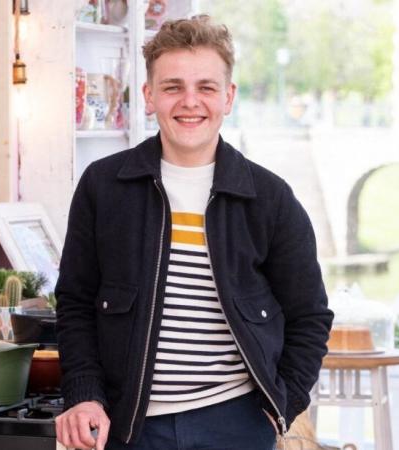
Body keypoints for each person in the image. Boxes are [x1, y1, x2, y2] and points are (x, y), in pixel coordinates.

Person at [54, 15, 333, 450]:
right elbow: (74, 303)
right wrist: (84, 394)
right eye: (172, 87)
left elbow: (310, 315)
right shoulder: (103, 187)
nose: (190, 102)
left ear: (228, 97)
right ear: (149, 96)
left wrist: (284, 401)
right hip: (129, 426)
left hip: (237, 424)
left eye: (205, 87)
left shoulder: (270, 198)